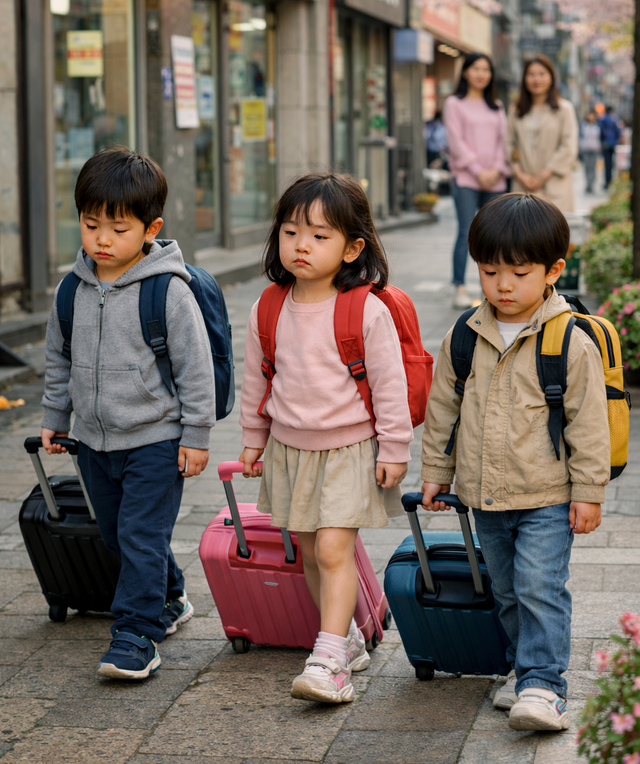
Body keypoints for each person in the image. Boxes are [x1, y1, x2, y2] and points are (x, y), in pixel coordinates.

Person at [421, 193, 610, 732]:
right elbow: (443, 410)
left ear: (553, 271)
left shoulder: (569, 342)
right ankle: (520, 668)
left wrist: (588, 491)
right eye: (489, 271)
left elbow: (588, 425)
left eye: (519, 273)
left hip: (548, 495)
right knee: (505, 589)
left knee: (538, 586)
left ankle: (544, 684)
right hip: (487, 496)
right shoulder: (464, 335)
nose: (503, 285)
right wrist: (436, 471)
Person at [40, 147, 215, 680]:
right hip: (94, 441)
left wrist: (196, 435)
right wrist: (56, 414)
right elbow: (58, 355)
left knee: (139, 535)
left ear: (150, 228)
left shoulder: (168, 290)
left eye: (117, 228)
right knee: (118, 535)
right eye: (91, 225)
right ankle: (171, 595)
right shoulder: (71, 289)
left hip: (155, 440)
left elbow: (195, 369)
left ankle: (136, 634)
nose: (101, 240)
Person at [238, 173, 412, 705]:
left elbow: (390, 385)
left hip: (348, 449)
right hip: (291, 449)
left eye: (318, 236)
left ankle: (330, 657)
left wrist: (395, 448)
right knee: (311, 553)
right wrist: (253, 438)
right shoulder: (268, 306)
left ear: (352, 247)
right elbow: (257, 379)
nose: (301, 246)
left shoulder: (364, 309)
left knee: (335, 548)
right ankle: (349, 639)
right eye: (291, 233)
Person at [443, 52, 509, 310]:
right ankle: (459, 286)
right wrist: (477, 169)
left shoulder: (497, 106)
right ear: (466, 72)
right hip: (466, 178)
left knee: (498, 236)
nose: (481, 74)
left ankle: (498, 286)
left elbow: (504, 142)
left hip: (495, 180)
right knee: (465, 232)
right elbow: (455, 141)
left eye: (486, 69)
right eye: (476, 68)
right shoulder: (454, 103)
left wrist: (497, 169)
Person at [506, 55, 578, 213]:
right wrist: (519, 173)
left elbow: (568, 146)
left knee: (554, 234)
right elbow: (510, 144)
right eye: (531, 74)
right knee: (521, 235)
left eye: (541, 74)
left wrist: (544, 174)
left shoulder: (564, 109)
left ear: (551, 78)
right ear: (524, 78)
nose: (536, 79)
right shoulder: (515, 110)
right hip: (522, 186)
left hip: (554, 185)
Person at [599, 105, 622, 189]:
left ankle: (607, 182)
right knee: (612, 164)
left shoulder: (603, 119)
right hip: (613, 144)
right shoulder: (615, 119)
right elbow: (618, 131)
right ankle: (610, 181)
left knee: (607, 163)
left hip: (606, 144)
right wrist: (616, 140)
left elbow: (601, 132)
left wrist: (602, 141)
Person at [579, 109, 602, 193]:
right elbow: (580, 137)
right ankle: (588, 184)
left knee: (592, 168)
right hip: (586, 149)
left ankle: (591, 184)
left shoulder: (598, 125)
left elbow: (601, 137)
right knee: (586, 167)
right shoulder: (584, 125)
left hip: (595, 149)